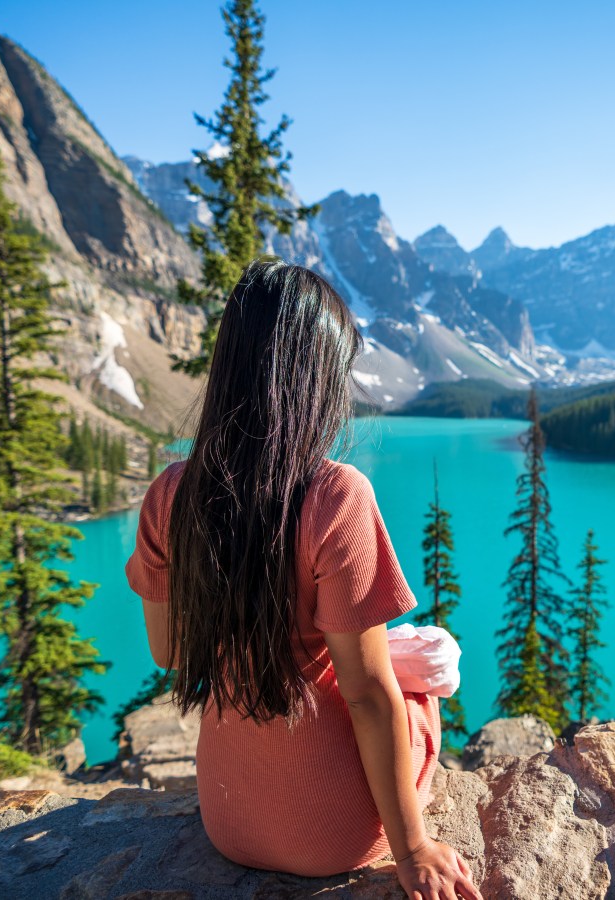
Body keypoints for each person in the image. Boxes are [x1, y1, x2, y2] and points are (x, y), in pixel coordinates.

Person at [125, 259, 480, 900]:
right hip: (330, 836)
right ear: (316, 380)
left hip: (227, 818)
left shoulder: (169, 495)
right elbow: (368, 697)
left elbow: (171, 654)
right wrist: (415, 849)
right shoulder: (335, 495)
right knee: (416, 693)